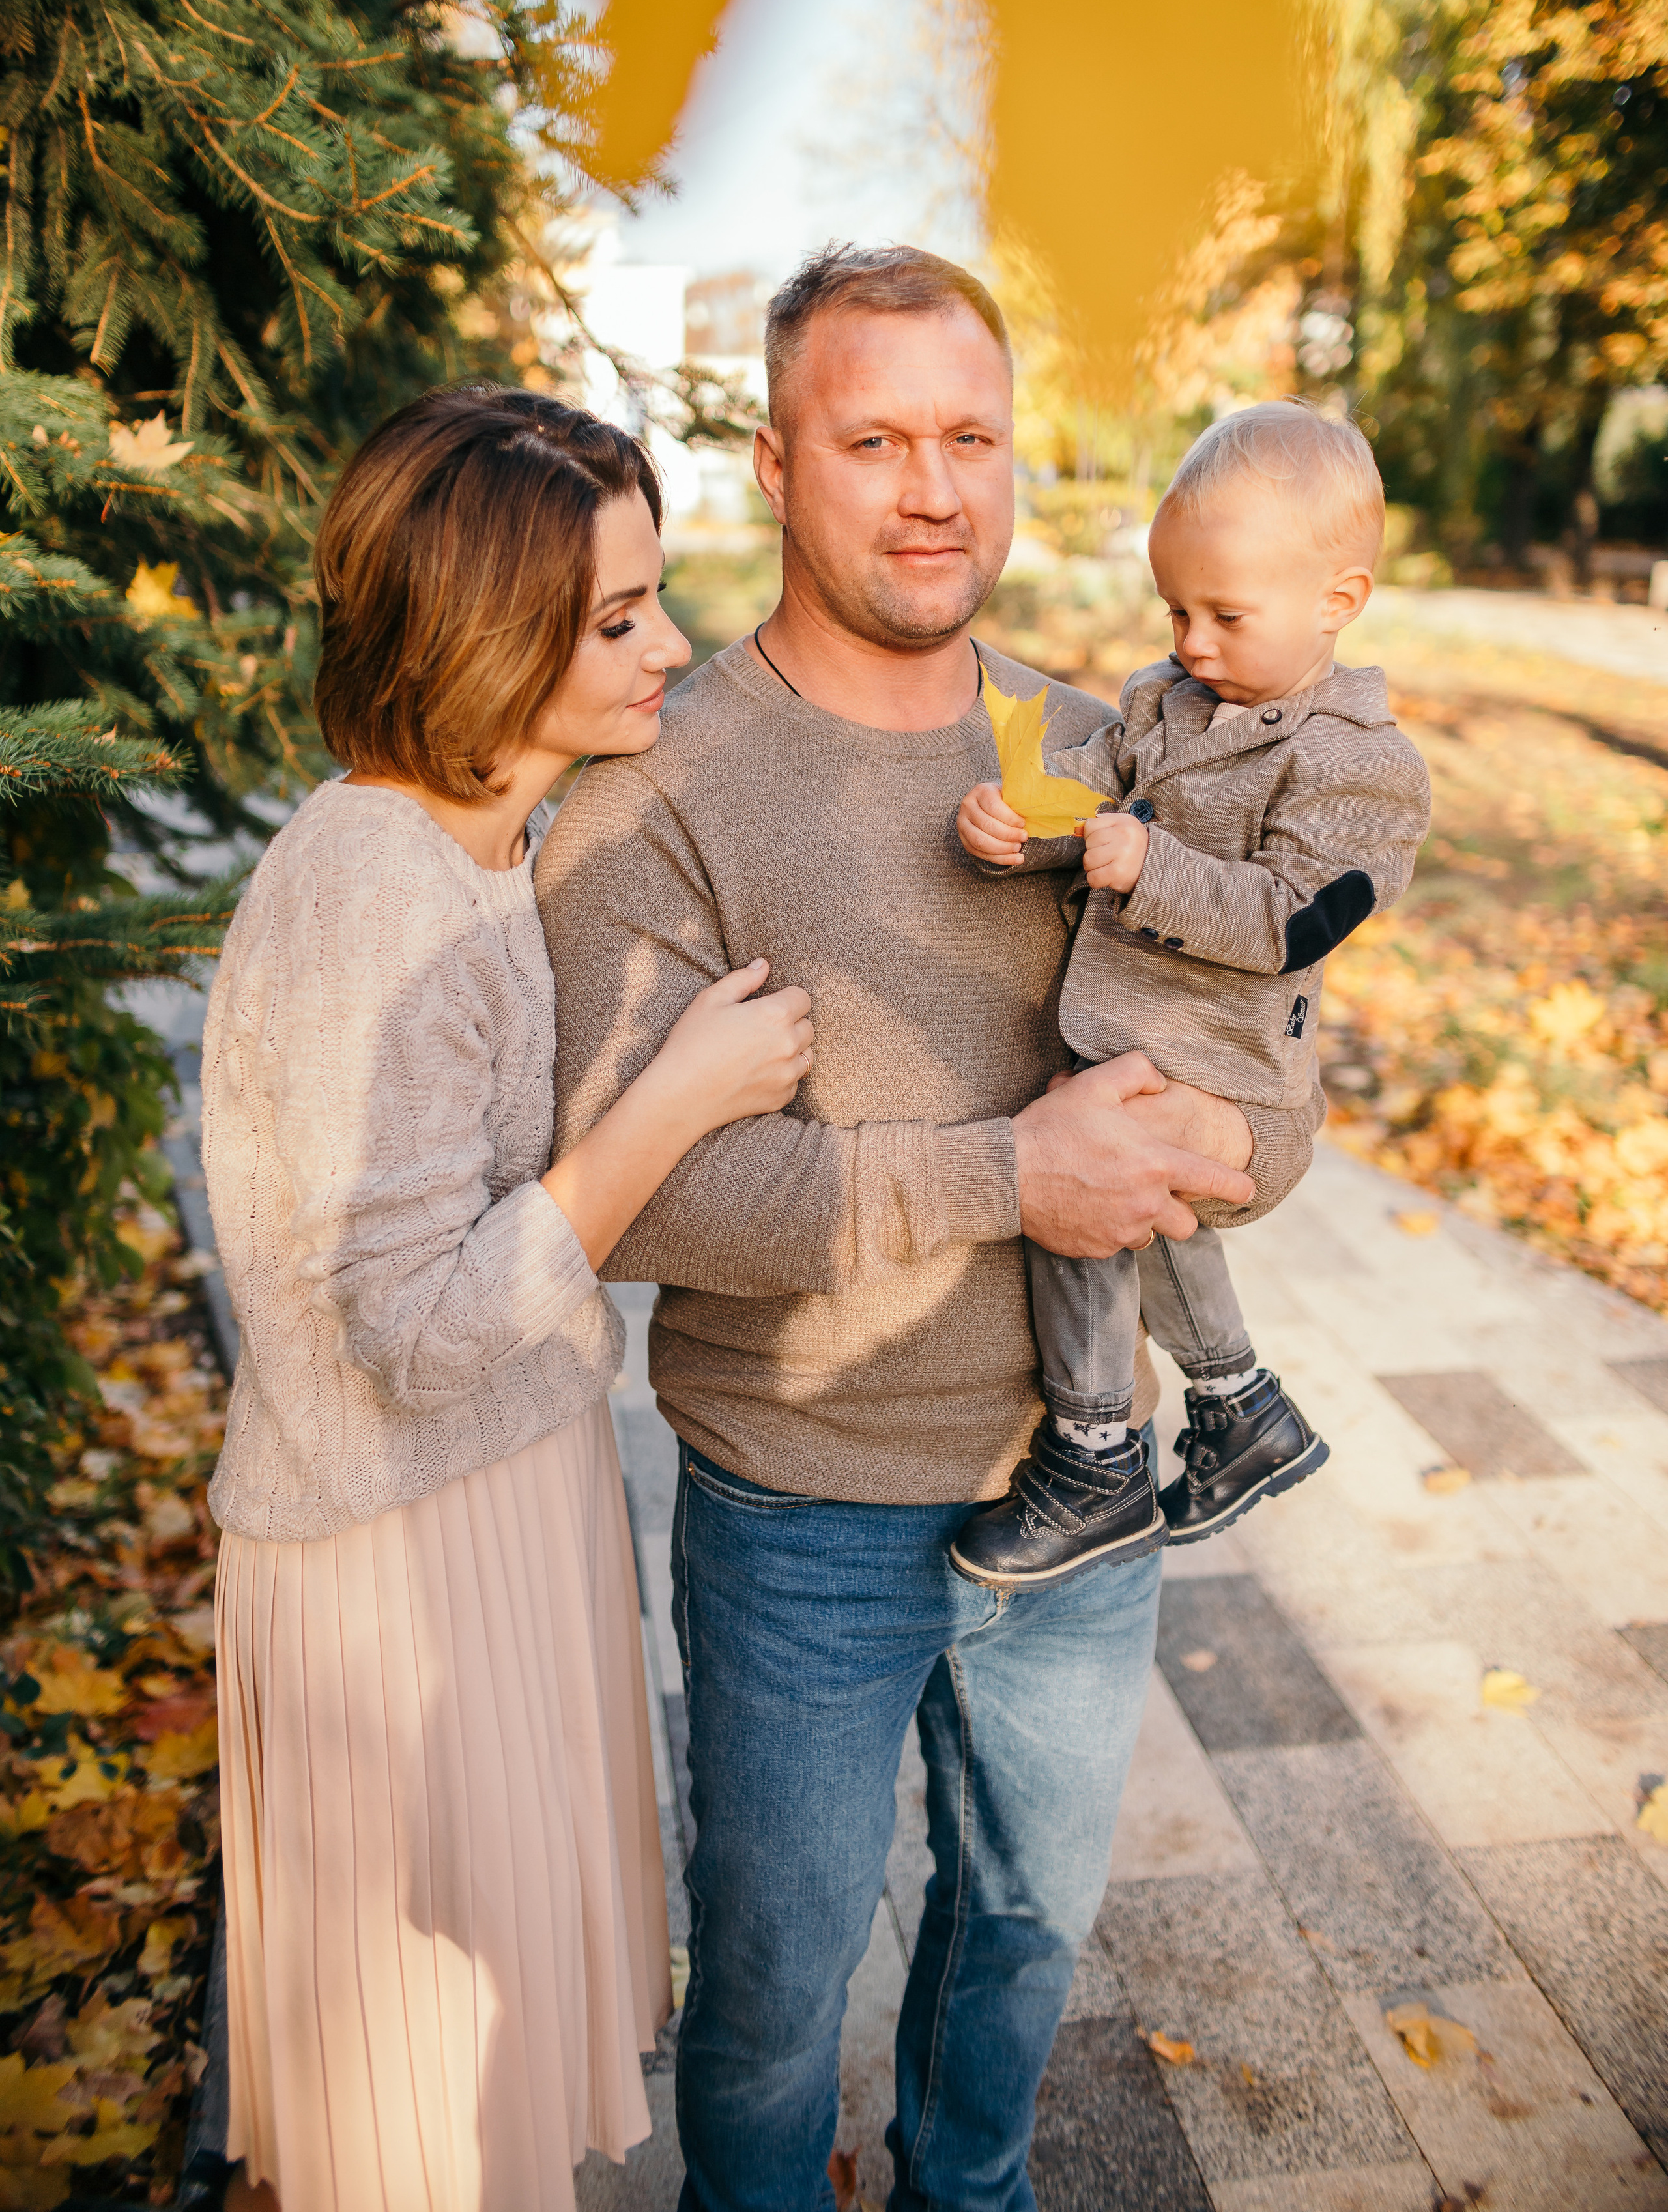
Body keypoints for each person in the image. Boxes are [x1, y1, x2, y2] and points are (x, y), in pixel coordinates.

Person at [535, 246, 1320, 2212]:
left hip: (1087, 1496)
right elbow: (642, 1201)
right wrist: (1013, 1174)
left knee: (1024, 1941)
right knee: (776, 1995)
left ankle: (971, 2195)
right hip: (802, 1507)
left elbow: (1273, 1082)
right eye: (873, 438)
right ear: (776, 461)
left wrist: (1232, 1138)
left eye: (971, 436)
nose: (931, 488)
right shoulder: (660, 784)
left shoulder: (1096, 749)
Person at [201, 387, 813, 2212]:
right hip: (397, 1573)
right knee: (423, 2131)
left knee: (498, 2103)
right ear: (483, 632)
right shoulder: (370, 901)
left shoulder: (473, 849)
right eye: (620, 620)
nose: (675, 645)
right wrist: (669, 1109)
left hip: (499, 1512)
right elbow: (408, 1327)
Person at [952, 401, 1431, 1587]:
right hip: (1139, 1050)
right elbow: (1100, 804)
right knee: (1116, 1196)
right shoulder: (1167, 699)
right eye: (1177, 609)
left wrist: (1149, 867)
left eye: (1227, 614)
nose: (1194, 640)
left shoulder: (1360, 765)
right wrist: (1028, 827)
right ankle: (1238, 1408)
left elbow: (1297, 919)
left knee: (1075, 1195)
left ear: (1339, 600)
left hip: (1233, 1076)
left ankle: (1095, 1455)